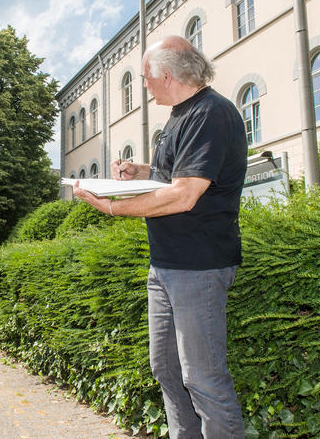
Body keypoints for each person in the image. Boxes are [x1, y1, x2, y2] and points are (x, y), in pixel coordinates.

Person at [74, 36, 247, 438]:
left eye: (145, 78)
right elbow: (184, 173)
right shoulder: (182, 116)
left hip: (198, 267)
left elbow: (185, 194)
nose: (144, 87)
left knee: (204, 379)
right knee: (167, 370)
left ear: (166, 75)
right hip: (167, 265)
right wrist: (143, 172)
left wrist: (112, 206)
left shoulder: (211, 114)